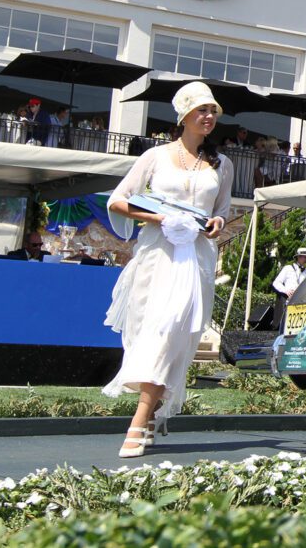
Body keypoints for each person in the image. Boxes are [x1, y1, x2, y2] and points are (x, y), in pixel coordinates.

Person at [103, 81, 231, 459]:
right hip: (158, 255)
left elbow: (222, 210)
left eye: (213, 112)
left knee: (176, 331)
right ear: (185, 116)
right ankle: (152, 412)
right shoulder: (155, 157)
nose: (208, 117)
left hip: (197, 259)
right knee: (156, 331)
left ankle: (140, 420)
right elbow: (118, 200)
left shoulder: (221, 164)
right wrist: (158, 217)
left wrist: (218, 224)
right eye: (202, 111)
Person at [272, 247, 306, 326]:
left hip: (302, 304)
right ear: (298, 257)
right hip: (288, 302)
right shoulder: (288, 268)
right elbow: (276, 283)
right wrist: (286, 291)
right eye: (304, 257)